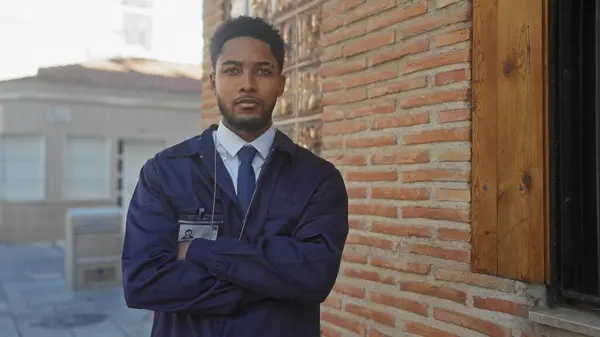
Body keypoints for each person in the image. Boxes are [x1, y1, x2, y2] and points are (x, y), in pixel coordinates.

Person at [121, 15, 349, 337]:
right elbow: (143, 283)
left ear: (281, 83)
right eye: (232, 70)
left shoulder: (318, 179)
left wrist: (200, 252)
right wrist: (277, 280)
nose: (247, 84)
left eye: (263, 70)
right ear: (213, 81)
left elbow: (316, 275)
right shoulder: (164, 173)